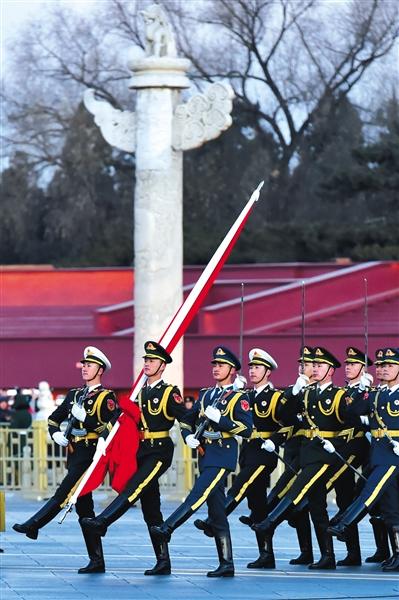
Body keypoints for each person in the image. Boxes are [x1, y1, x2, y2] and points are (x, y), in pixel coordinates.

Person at [81, 341, 186, 576]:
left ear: (162, 365)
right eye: (146, 360)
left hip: (159, 450)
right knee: (151, 508)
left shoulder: (169, 392)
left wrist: (194, 436)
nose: (147, 364)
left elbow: (185, 418)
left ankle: (103, 522)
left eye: (152, 361)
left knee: (134, 486)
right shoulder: (140, 392)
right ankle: (163, 560)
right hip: (142, 450)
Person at [13, 346, 117, 574]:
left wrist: (87, 419)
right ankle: (97, 560)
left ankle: (35, 524)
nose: (84, 368)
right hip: (75, 453)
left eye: (89, 365)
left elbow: (110, 427)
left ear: (100, 369)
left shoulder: (106, 397)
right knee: (84, 509)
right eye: (84, 365)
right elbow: (53, 418)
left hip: (90, 454)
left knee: (65, 493)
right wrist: (56, 434)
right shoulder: (73, 395)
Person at [150, 346, 253, 577]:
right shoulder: (206, 395)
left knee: (197, 494)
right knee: (217, 512)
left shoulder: (239, 397)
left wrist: (223, 420)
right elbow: (187, 420)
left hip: (223, 454)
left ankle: (168, 528)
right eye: (215, 365)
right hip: (206, 455)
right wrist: (188, 437)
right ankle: (227, 564)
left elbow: (247, 430)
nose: (216, 369)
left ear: (233, 370)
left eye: (222, 365)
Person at [253, 346, 352, 570]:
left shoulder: (339, 395)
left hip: (325, 455)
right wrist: (294, 392)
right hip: (307, 452)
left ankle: (270, 523)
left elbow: (352, 426)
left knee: (297, 488)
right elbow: (284, 416)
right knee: (317, 507)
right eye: (313, 365)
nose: (314, 369)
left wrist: (334, 444)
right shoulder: (306, 392)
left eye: (319, 365)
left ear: (331, 370)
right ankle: (328, 556)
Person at [194, 347, 289, 569]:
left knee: (240, 484)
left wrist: (275, 440)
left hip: (264, 453)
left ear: (268, 372)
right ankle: (266, 554)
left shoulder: (275, 397)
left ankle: (214, 520)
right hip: (247, 450)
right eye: (251, 367)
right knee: (257, 505)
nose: (253, 371)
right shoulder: (243, 394)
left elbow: (291, 424)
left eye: (258, 368)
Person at [327, 347, 399, 572]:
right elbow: (351, 412)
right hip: (379, 453)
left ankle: (345, 524)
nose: (384, 369)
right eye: (381, 366)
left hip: (394, 455)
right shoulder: (376, 393)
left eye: (389, 366)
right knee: (391, 509)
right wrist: (361, 389)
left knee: (370, 490)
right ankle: (397, 554)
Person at [255, 345, 316, 566]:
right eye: (301, 364)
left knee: (304, 502)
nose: (303, 367)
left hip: (311, 450)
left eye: (308, 364)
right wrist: (294, 392)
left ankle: (268, 517)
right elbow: (282, 415)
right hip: (293, 448)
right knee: (299, 505)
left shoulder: (320, 391)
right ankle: (306, 551)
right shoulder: (293, 389)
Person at [326, 347, 373, 567]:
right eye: (347, 364)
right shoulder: (342, 392)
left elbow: (353, 415)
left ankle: (382, 549)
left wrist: (365, 391)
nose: (348, 367)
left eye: (353, 364)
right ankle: (353, 552)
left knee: (368, 498)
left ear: (363, 369)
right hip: (340, 446)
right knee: (344, 497)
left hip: (359, 446)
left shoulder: (366, 391)